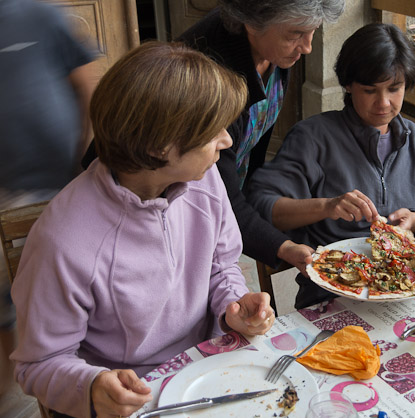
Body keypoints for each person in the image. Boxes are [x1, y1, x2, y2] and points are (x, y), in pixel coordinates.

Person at [11, 42, 275, 418]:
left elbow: (221, 264)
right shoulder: (63, 241)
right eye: (211, 131)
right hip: (137, 399)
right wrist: (93, 388)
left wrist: (232, 305)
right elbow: (38, 364)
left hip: (208, 371)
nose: (227, 140)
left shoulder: (204, 178)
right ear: (160, 148)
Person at [247, 23, 415, 309]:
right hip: (331, 295)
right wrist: (327, 206)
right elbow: (260, 205)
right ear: (348, 85)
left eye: (395, 88)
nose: (384, 103)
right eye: (369, 90)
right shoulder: (314, 137)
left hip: (404, 290)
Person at [176, 0, 345, 274]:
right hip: (182, 205)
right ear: (251, 22)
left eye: (312, 32)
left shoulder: (274, 51)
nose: (307, 47)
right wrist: (279, 246)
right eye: (296, 34)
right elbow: (218, 193)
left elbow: (253, 147)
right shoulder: (213, 81)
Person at [0, 0, 96, 398]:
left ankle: (77, 369)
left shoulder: (40, 14)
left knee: (60, 282)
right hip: (5, 190)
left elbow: (88, 86)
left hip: (53, 182)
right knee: (6, 303)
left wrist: (82, 153)